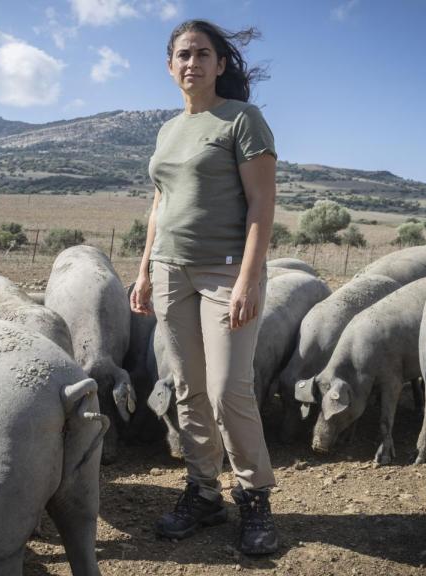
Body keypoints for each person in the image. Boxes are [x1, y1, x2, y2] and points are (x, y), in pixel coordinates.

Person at [129, 19, 280, 555]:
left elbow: (262, 204)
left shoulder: (242, 119)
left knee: (227, 389)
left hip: (224, 271)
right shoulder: (168, 130)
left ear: (220, 64)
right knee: (187, 388)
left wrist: (248, 277)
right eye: (182, 55)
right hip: (171, 271)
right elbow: (159, 205)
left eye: (202, 54)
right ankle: (203, 491)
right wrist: (145, 269)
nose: (191, 63)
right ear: (170, 67)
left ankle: (255, 496)